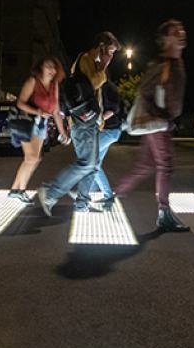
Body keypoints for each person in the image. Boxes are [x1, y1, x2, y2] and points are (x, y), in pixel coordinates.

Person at [115, 19, 190, 232]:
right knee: (166, 165)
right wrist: (161, 119)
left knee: (146, 166)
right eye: (176, 31)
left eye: (181, 30)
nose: (181, 33)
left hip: (160, 121)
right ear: (165, 39)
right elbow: (145, 92)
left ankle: (112, 195)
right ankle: (164, 213)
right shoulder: (163, 64)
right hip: (158, 122)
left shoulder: (175, 62)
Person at [37, 31, 120, 216]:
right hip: (82, 123)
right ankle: (51, 192)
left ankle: (81, 203)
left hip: (90, 122)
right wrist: (104, 67)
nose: (111, 56)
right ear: (101, 46)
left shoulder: (92, 62)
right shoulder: (85, 59)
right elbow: (92, 83)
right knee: (87, 164)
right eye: (111, 51)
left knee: (92, 165)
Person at [8, 56, 69, 202]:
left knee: (36, 159)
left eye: (54, 67)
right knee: (31, 157)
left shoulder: (55, 85)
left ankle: (16, 190)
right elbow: (20, 103)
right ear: (40, 67)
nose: (52, 70)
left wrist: (63, 132)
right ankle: (19, 190)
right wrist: (38, 112)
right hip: (26, 122)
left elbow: (55, 110)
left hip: (42, 124)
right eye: (48, 66)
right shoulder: (33, 81)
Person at [92, 80, 124, 206]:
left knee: (92, 162)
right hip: (106, 131)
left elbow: (114, 109)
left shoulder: (108, 87)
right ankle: (90, 191)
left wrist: (99, 120)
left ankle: (106, 194)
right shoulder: (97, 88)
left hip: (110, 130)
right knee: (95, 162)